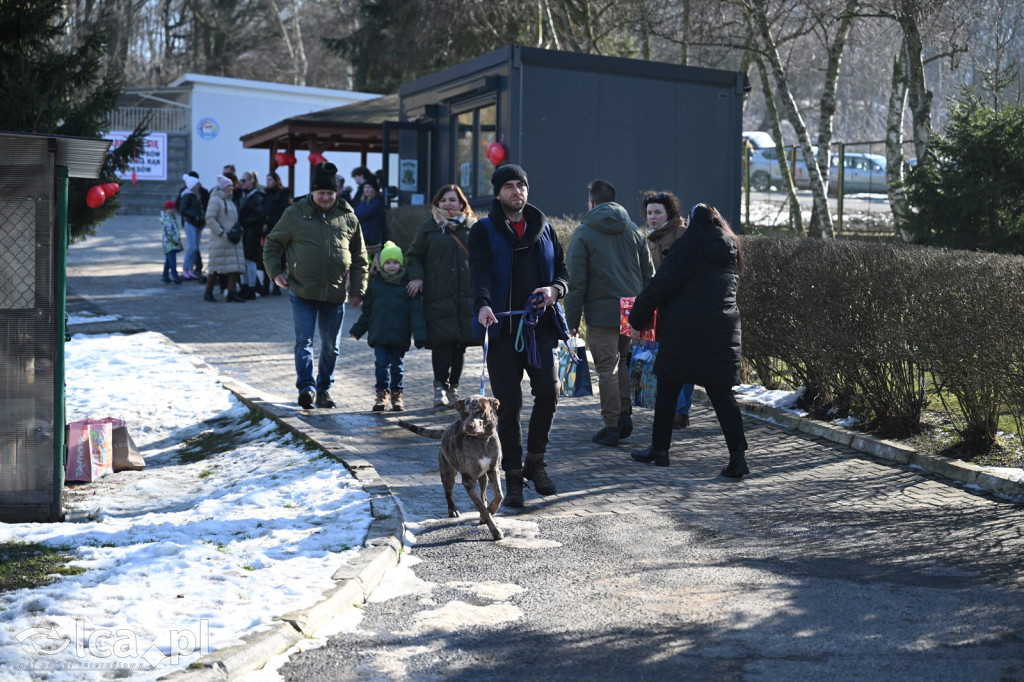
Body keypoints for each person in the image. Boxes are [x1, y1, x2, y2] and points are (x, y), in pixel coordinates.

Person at [469, 164, 570, 508]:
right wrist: (482, 304)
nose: (517, 192)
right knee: (508, 405)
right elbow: (479, 274)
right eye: (510, 186)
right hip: (500, 331)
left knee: (549, 391)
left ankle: (535, 463)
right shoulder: (482, 230)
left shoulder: (545, 229)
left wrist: (555, 290)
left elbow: (563, 273)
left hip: (538, 328)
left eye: (522, 186)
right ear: (498, 193)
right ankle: (512, 475)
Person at [628, 203, 749, 478]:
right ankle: (738, 456)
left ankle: (660, 449)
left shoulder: (686, 249)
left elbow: (658, 287)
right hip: (721, 332)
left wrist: (636, 319)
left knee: (668, 387)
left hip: (683, 331)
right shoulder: (730, 249)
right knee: (721, 394)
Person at [262, 162, 368, 410]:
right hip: (302, 290)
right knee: (304, 342)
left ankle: (324, 390)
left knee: (331, 347)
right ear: (312, 192)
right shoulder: (294, 213)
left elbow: (361, 257)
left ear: (336, 193)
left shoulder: (348, 217)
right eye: (321, 193)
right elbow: (272, 244)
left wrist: (358, 290)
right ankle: (306, 388)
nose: (326, 197)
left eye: (330, 193)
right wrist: (275, 273)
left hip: (335, 293)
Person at [564, 179, 654, 447]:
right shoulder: (634, 230)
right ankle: (624, 414)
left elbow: (576, 283)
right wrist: (645, 310)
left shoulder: (583, 233)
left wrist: (570, 322)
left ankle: (612, 424)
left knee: (607, 367)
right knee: (622, 361)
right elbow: (649, 274)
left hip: (601, 313)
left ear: (591, 202)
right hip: (631, 310)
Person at [405, 184, 478, 409]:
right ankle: (439, 388)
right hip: (438, 295)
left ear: (462, 204)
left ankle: (453, 389)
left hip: (466, 295)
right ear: (437, 203)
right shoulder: (429, 228)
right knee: (441, 343)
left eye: (452, 200)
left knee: (460, 345)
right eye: (443, 200)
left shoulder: (473, 228)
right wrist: (417, 277)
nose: (447, 203)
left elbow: (484, 259)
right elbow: (414, 256)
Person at [350, 241, 427, 412]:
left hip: (400, 335)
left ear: (401, 263)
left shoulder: (408, 285)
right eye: (388, 262)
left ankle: (397, 394)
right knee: (381, 365)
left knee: (397, 366)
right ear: (382, 264)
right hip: (379, 335)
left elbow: (416, 312)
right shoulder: (376, 285)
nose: (391, 266)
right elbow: (367, 312)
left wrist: (420, 336)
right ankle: (381, 394)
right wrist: (358, 330)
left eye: (395, 262)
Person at [644, 190, 694, 429]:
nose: (652, 217)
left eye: (657, 212)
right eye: (649, 213)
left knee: (681, 362)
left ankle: (680, 411)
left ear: (669, 213)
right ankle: (675, 410)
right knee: (667, 361)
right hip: (659, 309)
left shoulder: (682, 234)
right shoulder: (650, 238)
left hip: (682, 309)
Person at [203, 173, 246, 303]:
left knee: (234, 268)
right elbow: (210, 218)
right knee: (216, 268)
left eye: (232, 186)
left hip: (233, 240)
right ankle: (208, 292)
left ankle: (231, 292)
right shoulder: (216, 200)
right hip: (221, 240)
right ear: (223, 187)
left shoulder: (230, 200)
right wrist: (221, 233)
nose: (231, 188)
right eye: (228, 186)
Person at [237, 170, 267, 299]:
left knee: (250, 261)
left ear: (252, 181)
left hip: (252, 233)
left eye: (244, 180)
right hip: (244, 232)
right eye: (241, 180)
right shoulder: (243, 194)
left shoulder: (258, 196)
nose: (242, 183)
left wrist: (244, 221)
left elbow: (259, 216)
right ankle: (244, 286)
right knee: (242, 261)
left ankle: (251, 287)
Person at [263, 171, 290, 296]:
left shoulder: (282, 194)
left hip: (278, 230)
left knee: (278, 257)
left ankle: (276, 286)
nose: (268, 182)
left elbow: (282, 213)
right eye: (267, 180)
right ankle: (265, 284)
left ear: (276, 181)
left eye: (270, 180)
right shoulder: (265, 195)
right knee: (265, 255)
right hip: (266, 230)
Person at [177, 173, 206, 281]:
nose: (199, 186)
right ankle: (185, 269)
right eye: (198, 184)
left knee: (195, 247)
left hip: (197, 223)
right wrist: (195, 216)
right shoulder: (187, 196)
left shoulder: (196, 195)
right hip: (191, 223)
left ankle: (190, 270)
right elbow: (182, 210)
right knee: (192, 247)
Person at [354, 174, 385, 266]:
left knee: (369, 263)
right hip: (362, 236)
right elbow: (356, 213)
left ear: (374, 189)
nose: (366, 190)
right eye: (365, 187)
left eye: (369, 187)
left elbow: (364, 214)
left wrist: (358, 215)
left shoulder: (377, 202)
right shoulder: (362, 201)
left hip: (372, 239)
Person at [159, 200, 183, 284]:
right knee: (172, 261)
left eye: (172, 208)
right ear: (165, 210)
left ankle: (165, 276)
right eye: (169, 209)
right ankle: (175, 277)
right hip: (170, 244)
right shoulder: (168, 220)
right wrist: (175, 240)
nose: (171, 210)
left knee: (168, 261)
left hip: (170, 244)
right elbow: (170, 233)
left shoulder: (172, 218)